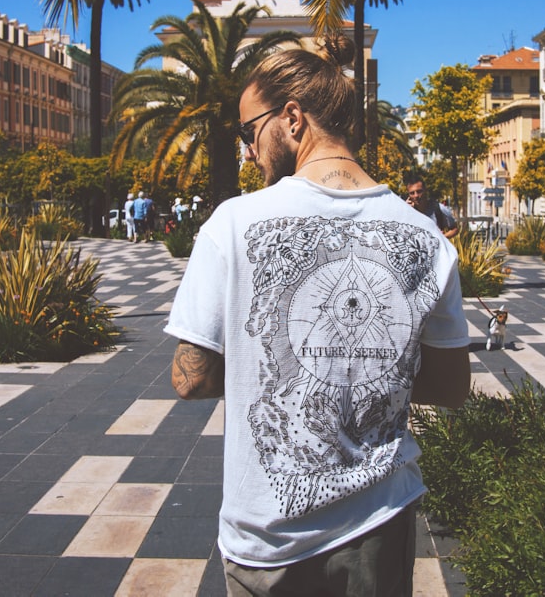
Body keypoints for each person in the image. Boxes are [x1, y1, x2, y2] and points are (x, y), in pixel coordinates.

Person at [165, 36, 470, 596]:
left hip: (268, 537)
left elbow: (193, 378)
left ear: (291, 118)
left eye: (247, 132)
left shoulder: (232, 224)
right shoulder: (426, 236)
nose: (247, 151)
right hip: (380, 524)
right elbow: (452, 385)